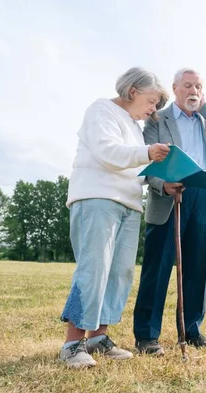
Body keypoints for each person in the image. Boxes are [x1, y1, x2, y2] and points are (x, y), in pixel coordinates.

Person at [59, 67, 171, 368]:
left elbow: (134, 164)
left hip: (129, 204)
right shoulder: (101, 110)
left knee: (120, 273)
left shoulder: (136, 127)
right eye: (151, 101)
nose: (153, 110)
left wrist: (163, 178)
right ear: (133, 91)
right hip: (98, 198)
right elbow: (109, 152)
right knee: (94, 268)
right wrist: (148, 152)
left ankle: (98, 337)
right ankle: (72, 344)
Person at [133, 68, 206, 355]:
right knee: (157, 267)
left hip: (203, 195)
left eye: (199, 86)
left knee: (196, 268)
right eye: (188, 86)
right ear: (175, 88)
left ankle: (191, 330)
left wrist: (204, 104)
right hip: (170, 195)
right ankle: (146, 336)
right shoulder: (158, 119)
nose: (193, 90)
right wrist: (161, 185)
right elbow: (146, 158)